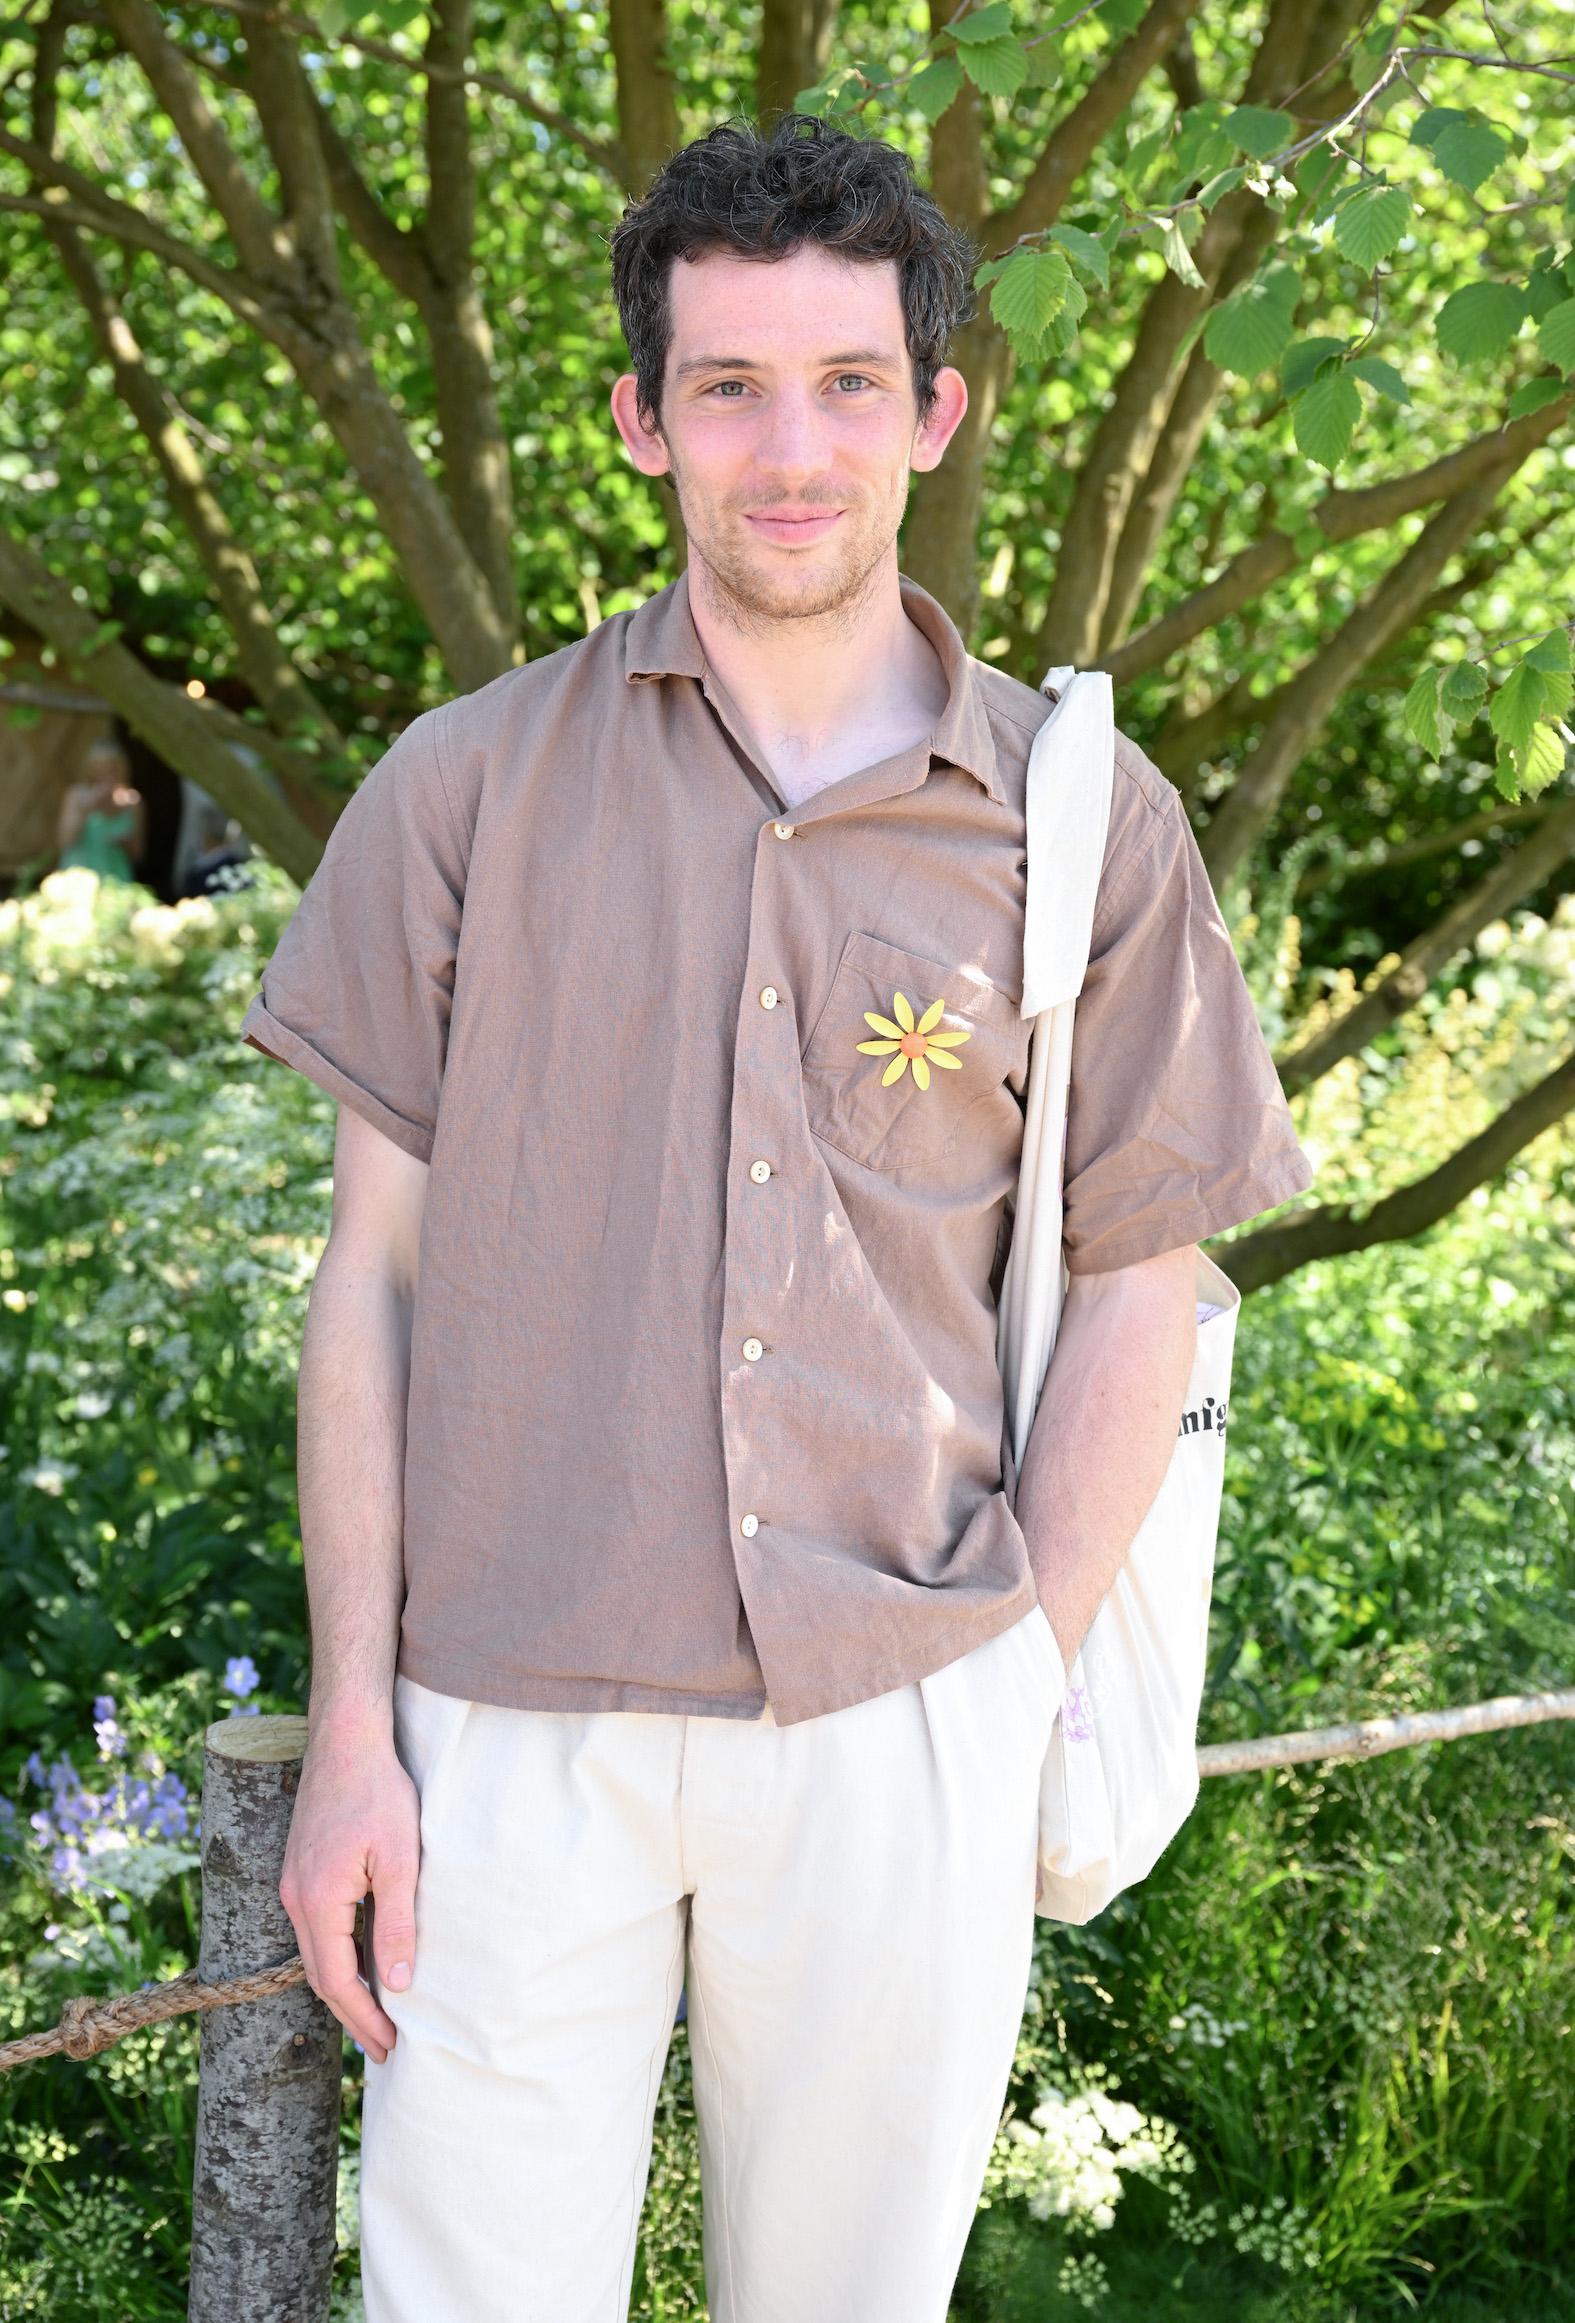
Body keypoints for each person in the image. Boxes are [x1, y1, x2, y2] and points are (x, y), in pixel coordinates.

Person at [244, 118, 1312, 2323]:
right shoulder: (460, 791)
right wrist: (353, 1729)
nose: (788, 445)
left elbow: (1143, 1281)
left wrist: (1011, 1675)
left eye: (844, 380)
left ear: (936, 408)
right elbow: (373, 1285)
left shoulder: (1076, 828)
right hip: (504, 1721)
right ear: (641, 420)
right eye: (727, 385)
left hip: (898, 1706)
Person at [56, 738, 144, 883]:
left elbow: (138, 854)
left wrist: (123, 841)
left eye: (113, 770)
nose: (107, 776)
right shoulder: (76, 795)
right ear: (90, 770)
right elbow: (64, 842)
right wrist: (89, 806)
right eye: (100, 769)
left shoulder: (133, 801)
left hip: (117, 879)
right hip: (79, 879)